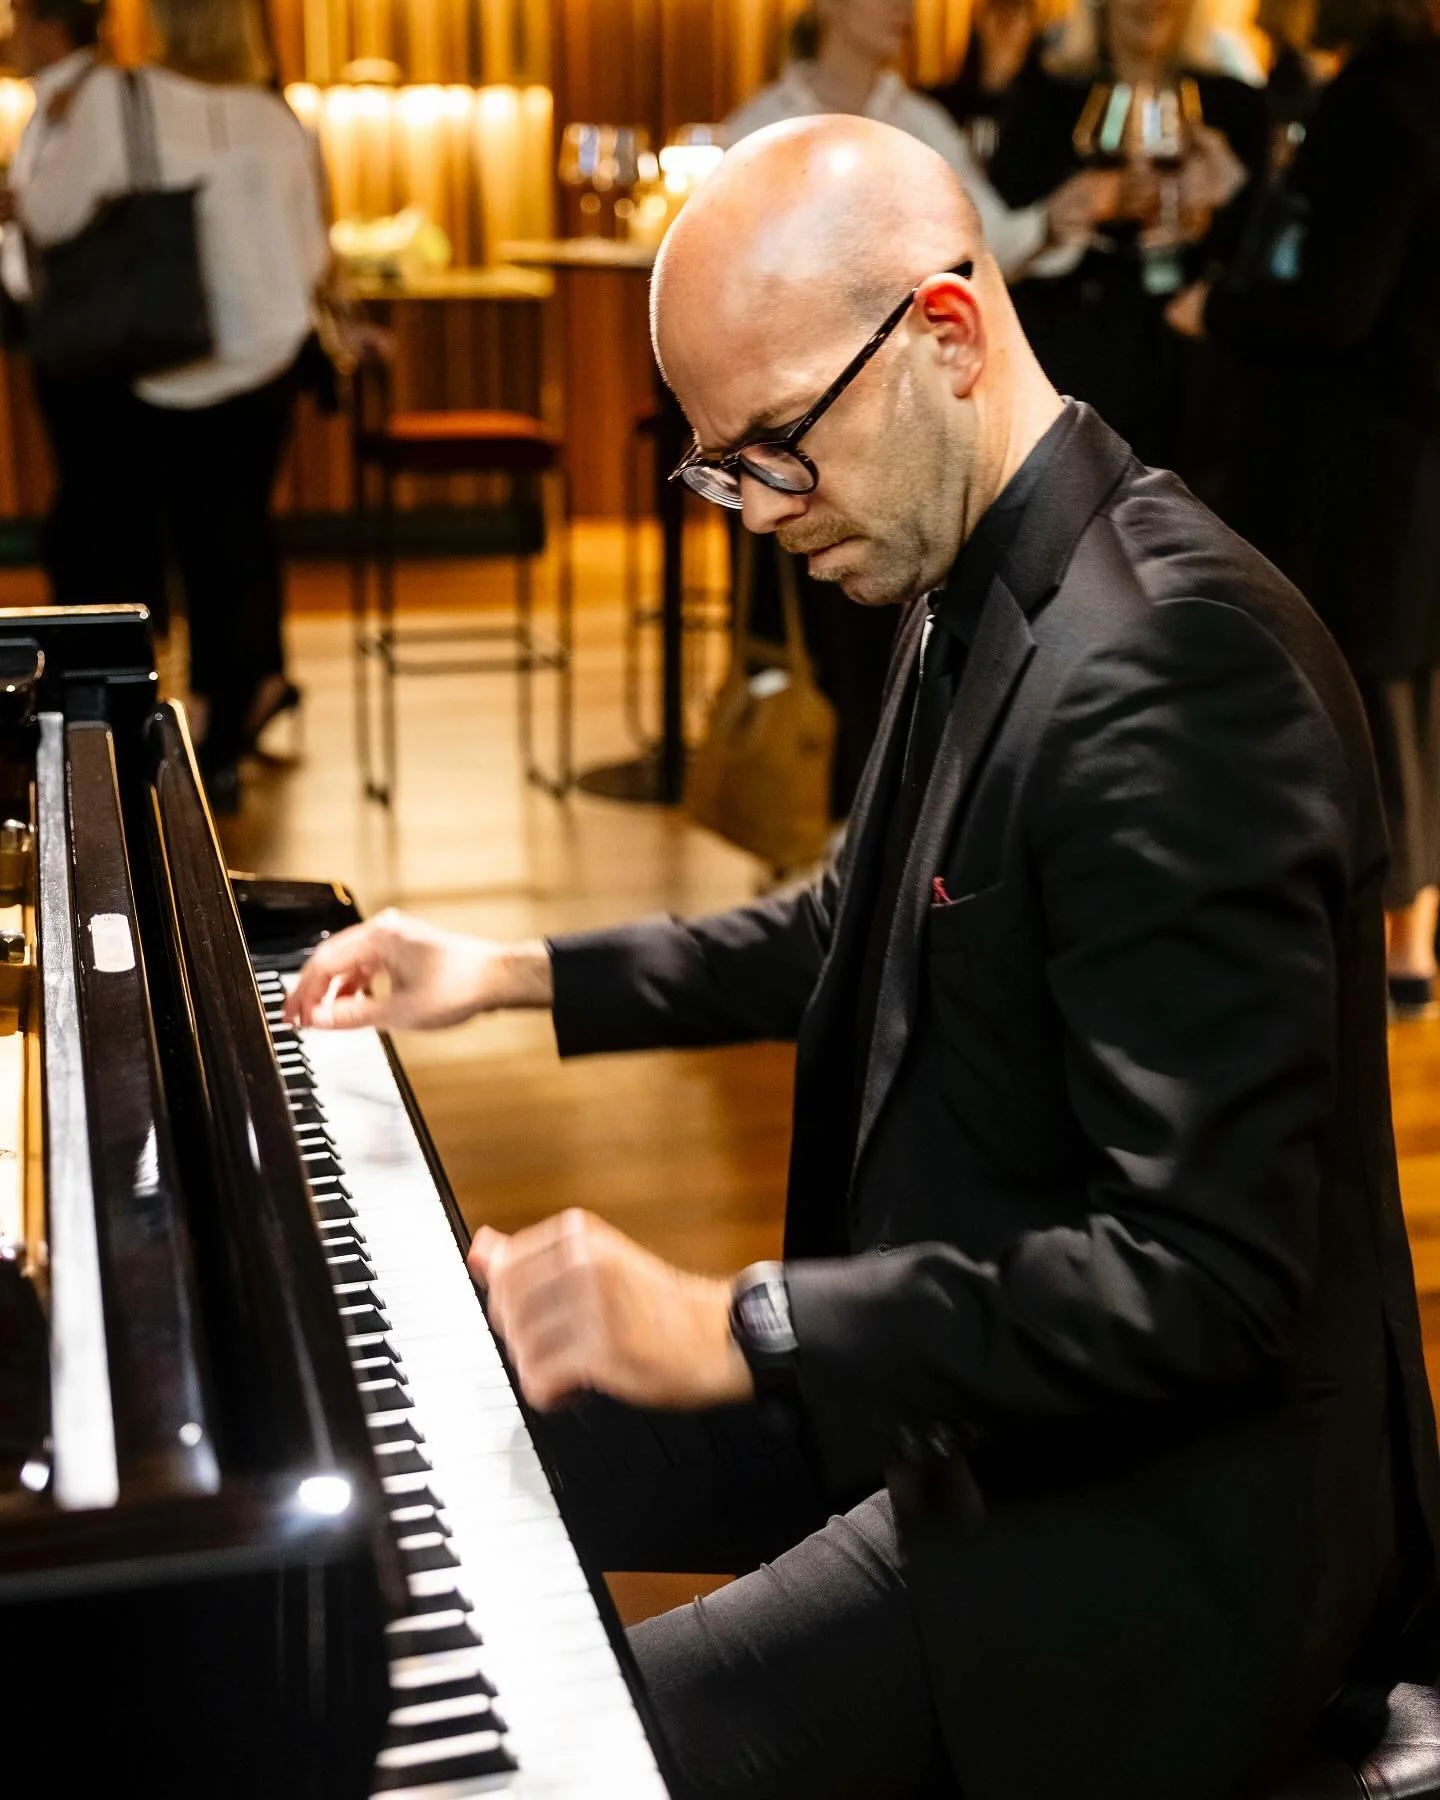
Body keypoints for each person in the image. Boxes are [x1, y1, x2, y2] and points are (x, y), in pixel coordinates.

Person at [287, 116, 1440, 1800]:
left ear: (947, 336)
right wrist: (516, 972)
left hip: (1156, 1538)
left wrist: (738, 1325)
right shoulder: (967, 562)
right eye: (716, 462)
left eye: (772, 445)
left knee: (567, 1758)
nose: (750, 507)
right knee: (424, 1448)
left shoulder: (1171, 670)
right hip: (976, 1404)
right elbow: (862, 921)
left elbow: (1207, 1279)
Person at [719, 0, 1108, 826]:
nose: (904, 9)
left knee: (892, 644)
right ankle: (826, 843)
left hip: (900, 439)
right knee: (812, 640)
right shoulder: (755, 131)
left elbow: (990, 240)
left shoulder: (921, 122)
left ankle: (883, 833)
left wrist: (1065, 211)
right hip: (793, 441)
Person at [1169, 0, 1440, 1016]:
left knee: (1368, 703)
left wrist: (1220, 311)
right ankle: (1406, 947)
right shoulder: (1408, 91)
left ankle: (1380, 958)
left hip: (1364, 468)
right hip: (1415, 456)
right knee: (1412, 704)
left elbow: (1334, 304)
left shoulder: (1373, 101)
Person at [15, 0, 327, 812]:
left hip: (158, 362)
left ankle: (123, 728)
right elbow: (314, 249)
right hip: (263, 363)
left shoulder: (123, 100)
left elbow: (52, 215)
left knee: (125, 550)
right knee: (233, 545)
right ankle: (224, 741)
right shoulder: (278, 115)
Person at [986, 0, 1268, 471]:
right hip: (1069, 346)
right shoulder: (1051, 93)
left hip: (1181, 361)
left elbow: (1261, 247)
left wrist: (1225, 206)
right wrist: (1082, 202)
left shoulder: (1233, 105)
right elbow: (1005, 212)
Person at [1, 0, 165, 614]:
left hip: (94, 338)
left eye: (18, 18)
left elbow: (54, 209)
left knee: (102, 511)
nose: (11, 35)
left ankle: (111, 655)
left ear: (50, 25)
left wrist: (17, 202)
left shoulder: (97, 95)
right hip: (67, 332)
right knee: (96, 504)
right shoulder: (62, 98)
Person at [927, 0, 1042, 166]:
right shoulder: (938, 106)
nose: (1007, 21)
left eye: (1017, 11)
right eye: (999, 10)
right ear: (979, 19)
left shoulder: (1049, 110)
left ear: (1032, 23)